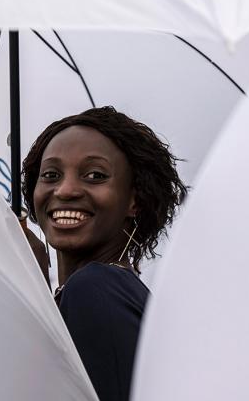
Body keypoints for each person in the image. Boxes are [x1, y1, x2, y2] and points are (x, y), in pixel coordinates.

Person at [20, 107, 187, 401]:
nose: (66, 190)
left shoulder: (95, 290)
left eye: (95, 175)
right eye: (50, 175)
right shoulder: (105, 292)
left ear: (135, 200)